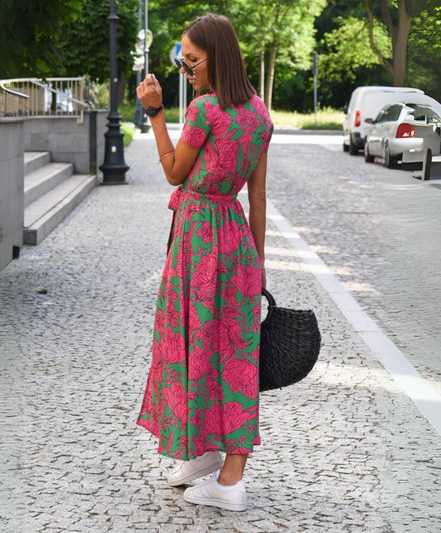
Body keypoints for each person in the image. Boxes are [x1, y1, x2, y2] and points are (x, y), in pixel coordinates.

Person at [135, 13, 273, 512]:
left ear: (218, 57)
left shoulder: (204, 109)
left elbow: (175, 172)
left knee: (191, 344)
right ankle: (207, 455)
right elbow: (257, 200)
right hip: (236, 241)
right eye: (183, 61)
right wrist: (258, 267)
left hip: (198, 241)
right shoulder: (260, 114)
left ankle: (231, 482)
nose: (184, 69)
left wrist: (155, 113)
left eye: (191, 60)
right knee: (231, 354)